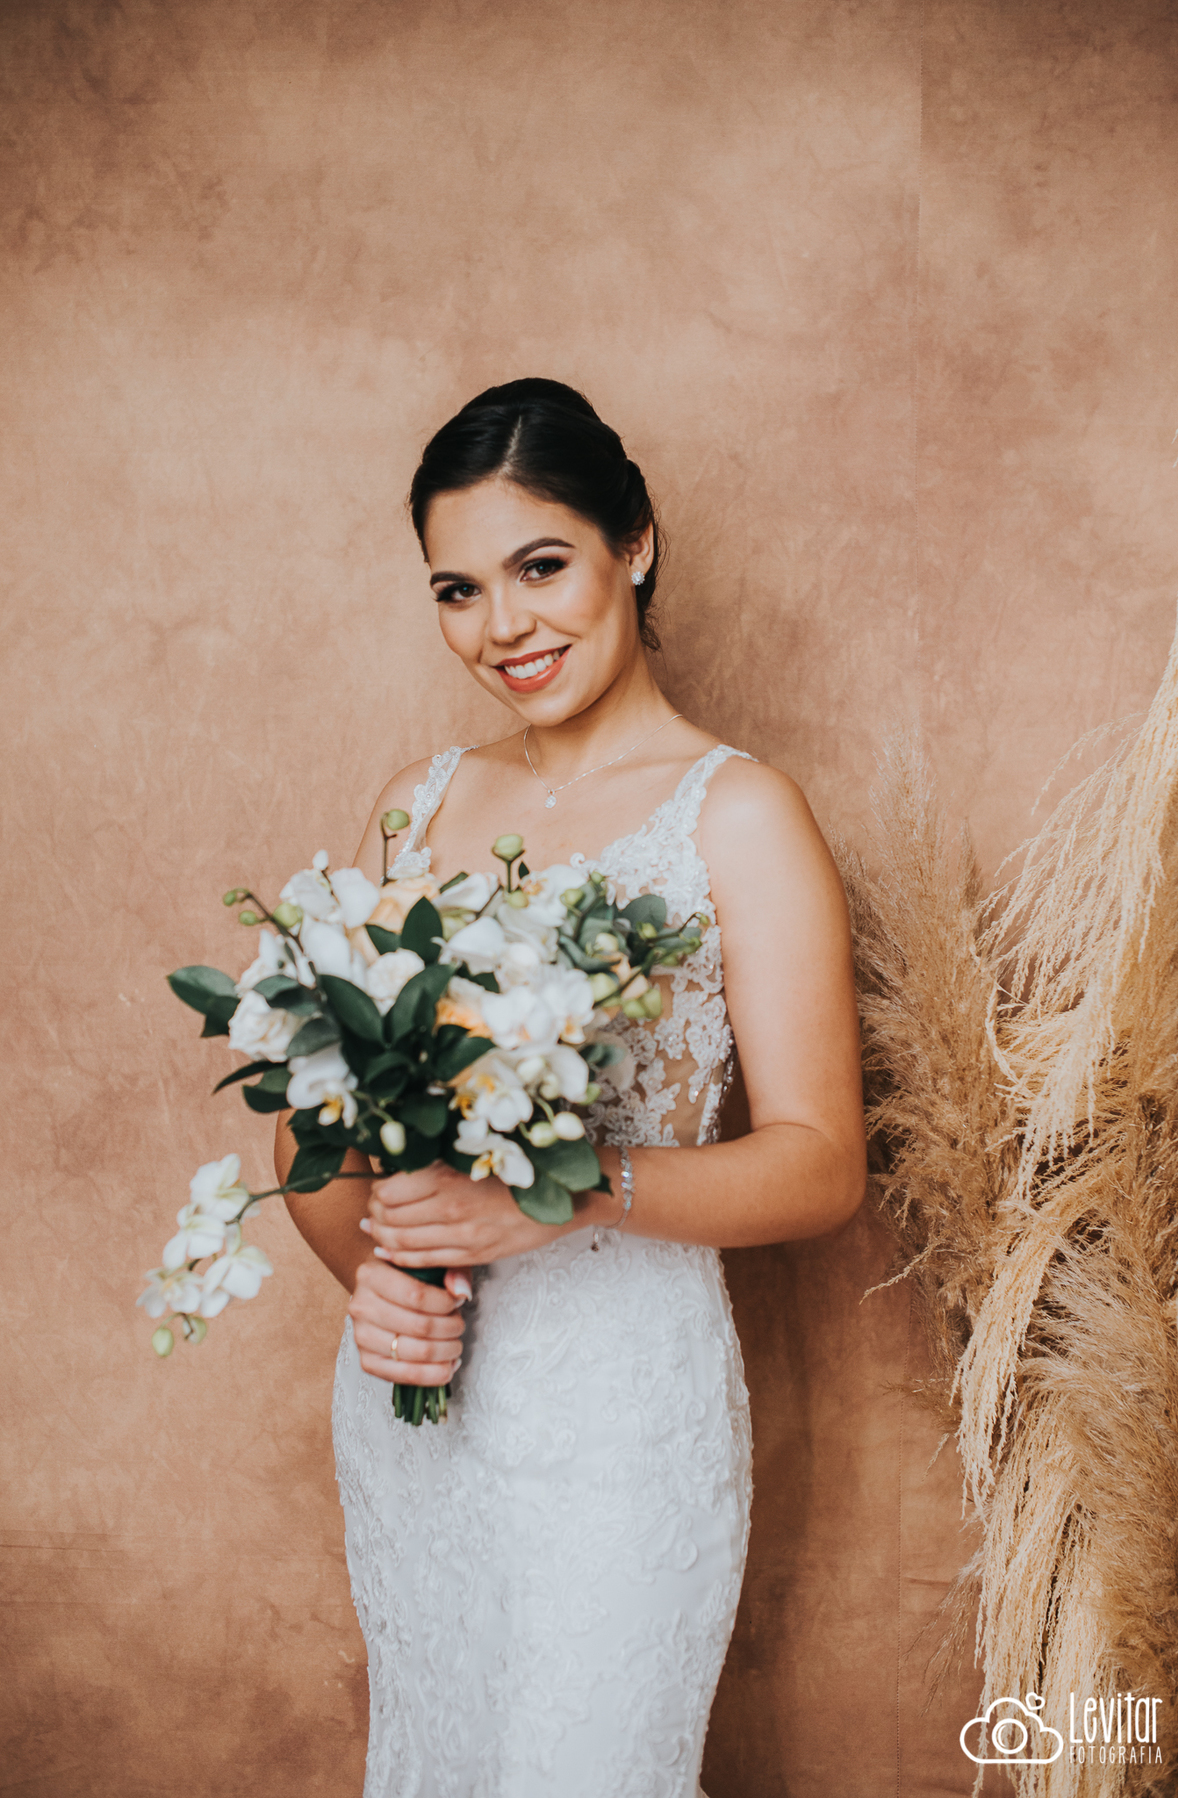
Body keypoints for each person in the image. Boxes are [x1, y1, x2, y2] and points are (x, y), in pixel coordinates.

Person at [276, 377, 866, 1798]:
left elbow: (820, 1160)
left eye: (541, 566)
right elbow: (310, 1133)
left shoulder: (736, 812)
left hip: (622, 1418)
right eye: (459, 589)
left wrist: (569, 1194)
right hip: (421, 1413)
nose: (505, 628)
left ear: (635, 545)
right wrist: (379, 1277)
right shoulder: (414, 807)